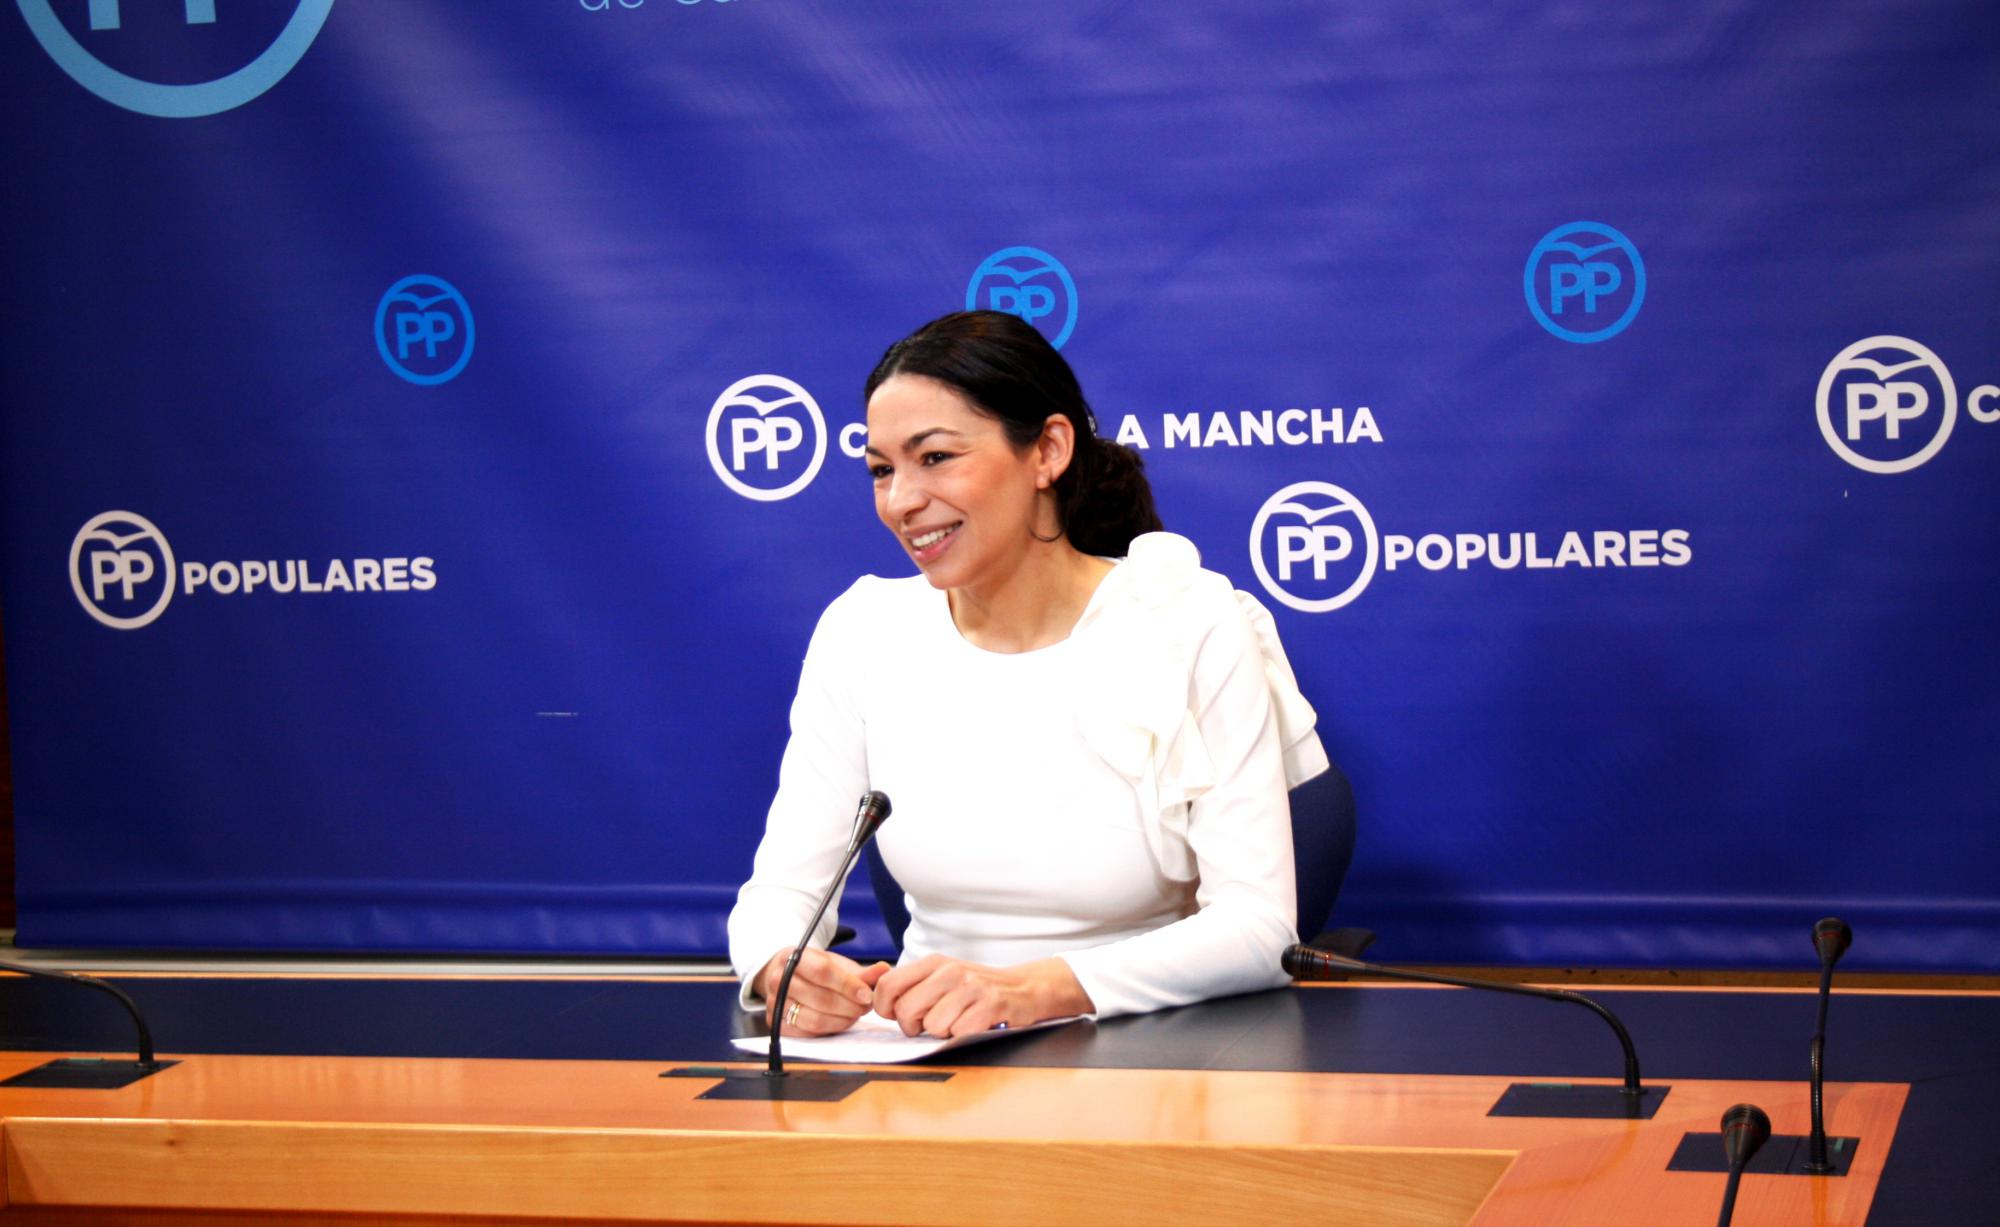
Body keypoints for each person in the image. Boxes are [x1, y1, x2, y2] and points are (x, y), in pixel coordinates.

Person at [726, 310, 1327, 1039]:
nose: (900, 501)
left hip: (1155, 1052)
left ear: (1048, 450)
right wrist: (780, 966)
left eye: (935, 457)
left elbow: (1261, 929)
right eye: (882, 470)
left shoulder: (1188, 619)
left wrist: (1033, 990)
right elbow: (782, 891)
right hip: (924, 1056)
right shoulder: (863, 630)